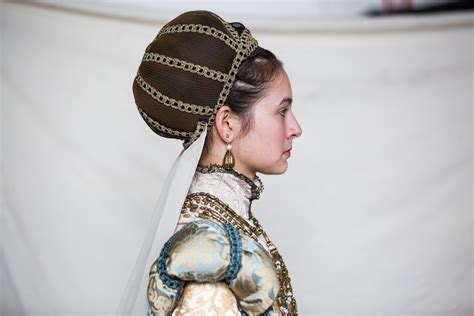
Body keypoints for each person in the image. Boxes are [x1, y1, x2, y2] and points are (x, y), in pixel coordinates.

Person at [118, 10, 302, 316]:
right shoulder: (204, 258)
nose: (296, 128)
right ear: (227, 124)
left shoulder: (222, 228)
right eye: (282, 112)